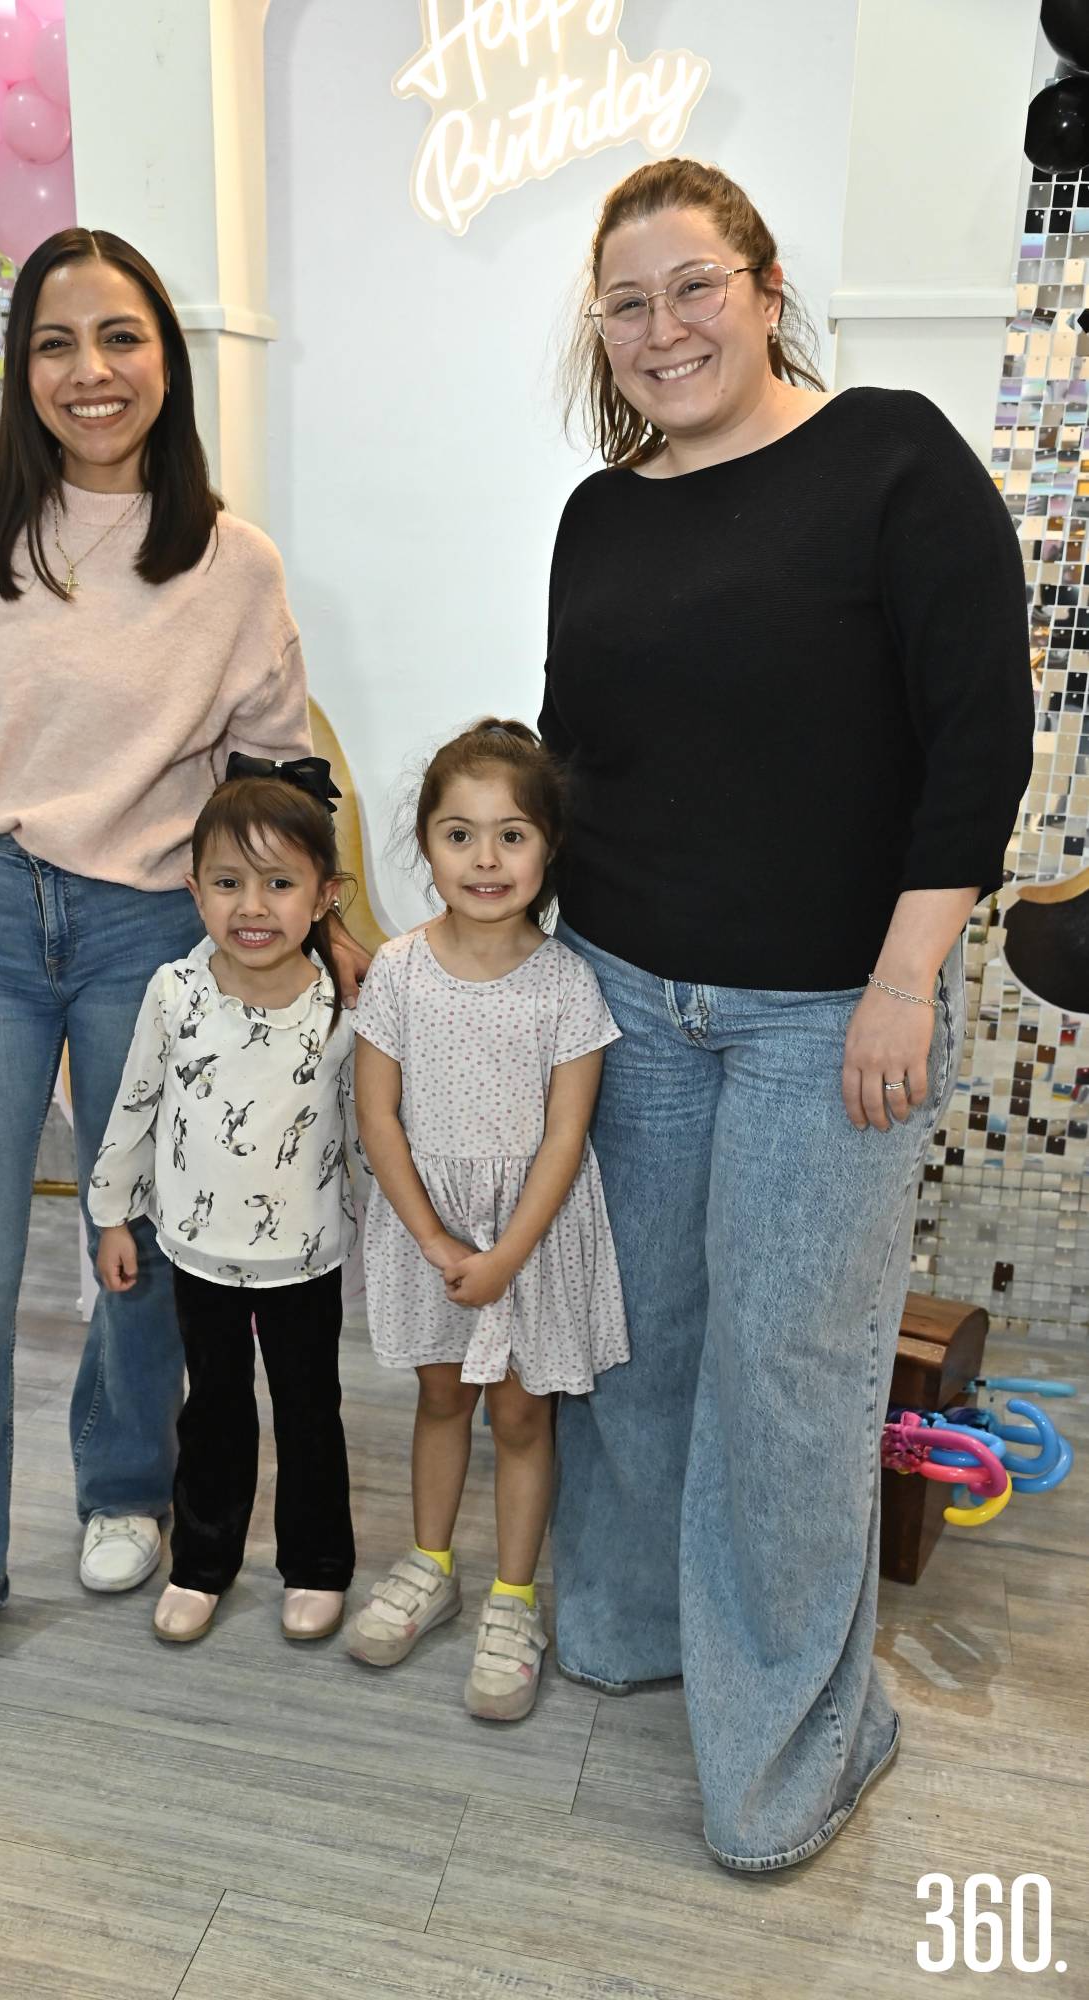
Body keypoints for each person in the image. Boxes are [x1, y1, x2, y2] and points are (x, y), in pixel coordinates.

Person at [542, 160, 1034, 1867]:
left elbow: (979, 740)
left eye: (692, 287)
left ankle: (796, 1746)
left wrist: (906, 980)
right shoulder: (601, 512)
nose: (662, 328)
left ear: (761, 286)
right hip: (623, 987)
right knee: (645, 1344)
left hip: (830, 1012)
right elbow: (577, 761)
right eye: (627, 301)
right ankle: (648, 1625)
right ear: (598, 331)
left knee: (788, 1379)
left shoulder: (892, 457)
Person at [0, 226, 366, 1725]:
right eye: (58, 343)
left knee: (146, 1240)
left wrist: (324, 925)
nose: (90, 372)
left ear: (165, 359)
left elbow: (277, 764)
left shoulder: (224, 557)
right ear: (22, 368)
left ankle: (124, 1487)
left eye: (120, 338)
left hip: (152, 930)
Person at [346, 720, 628, 1722]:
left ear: (547, 847)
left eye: (510, 834)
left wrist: (507, 1251)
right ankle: (429, 1564)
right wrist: (433, 1239)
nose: (484, 857)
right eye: (458, 834)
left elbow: (565, 1133)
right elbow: (375, 1113)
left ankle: (513, 1599)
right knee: (436, 1398)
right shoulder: (399, 971)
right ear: (424, 844)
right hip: (430, 1225)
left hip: (529, 1236)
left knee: (517, 1411)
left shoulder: (566, 983)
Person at [91, 762, 362, 1645]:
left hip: (304, 1254)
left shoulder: (342, 1002)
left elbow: (370, 1126)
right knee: (213, 1406)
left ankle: (317, 1563)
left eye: (280, 884)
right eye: (228, 882)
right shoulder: (175, 991)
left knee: (309, 1408)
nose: (254, 905)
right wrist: (110, 1214)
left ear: (325, 895)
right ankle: (203, 1562)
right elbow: (134, 1103)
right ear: (192, 889)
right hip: (196, 1251)